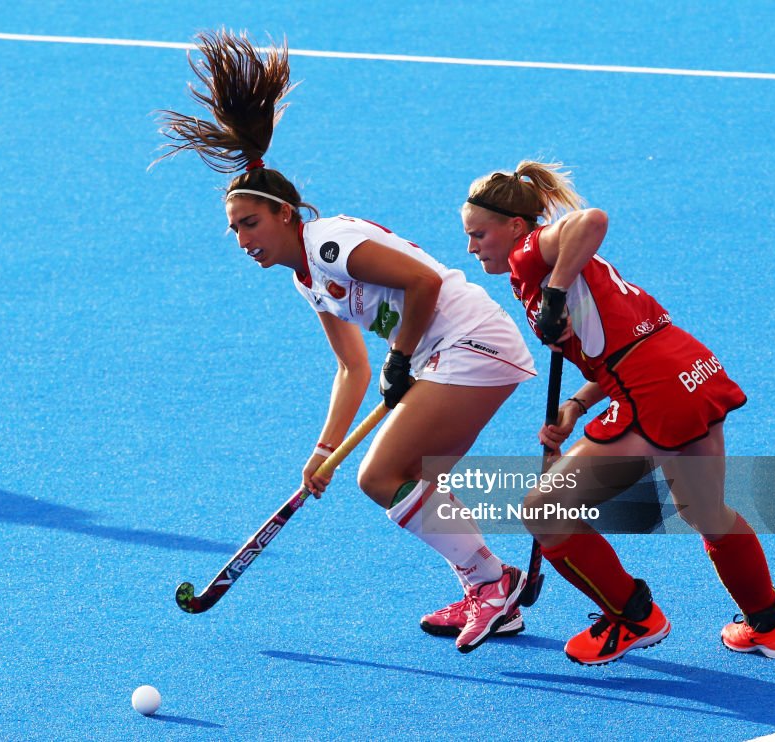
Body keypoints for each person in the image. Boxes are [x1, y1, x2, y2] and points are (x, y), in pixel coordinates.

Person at [153, 30, 537, 652]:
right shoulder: (308, 278)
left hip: (471, 342)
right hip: (444, 350)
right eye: (233, 231)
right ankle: (493, 587)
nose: (243, 239)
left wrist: (404, 357)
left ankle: (492, 586)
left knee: (381, 474)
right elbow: (350, 368)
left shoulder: (329, 243)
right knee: (399, 472)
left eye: (250, 223)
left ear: (285, 214)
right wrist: (324, 448)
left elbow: (420, 285)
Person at [461, 160, 775, 664]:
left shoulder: (532, 252)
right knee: (707, 512)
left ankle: (633, 617)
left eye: (478, 234)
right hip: (690, 369)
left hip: (655, 391)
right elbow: (622, 348)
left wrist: (553, 294)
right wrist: (576, 405)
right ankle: (769, 627)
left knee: (543, 512)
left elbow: (591, 219)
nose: (472, 247)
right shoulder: (562, 270)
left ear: (514, 226)